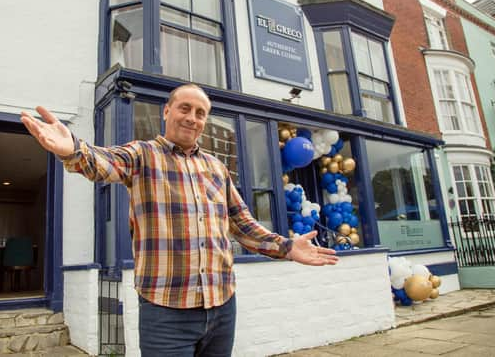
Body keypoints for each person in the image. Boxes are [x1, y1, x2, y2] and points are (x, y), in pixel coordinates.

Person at [21, 83, 338, 356]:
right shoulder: (143, 155)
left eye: (201, 113)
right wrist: (73, 150)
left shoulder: (216, 168)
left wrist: (286, 247)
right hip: (165, 311)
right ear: (167, 112)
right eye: (185, 108)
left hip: (222, 305)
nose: (193, 118)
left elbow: (241, 223)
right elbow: (104, 162)